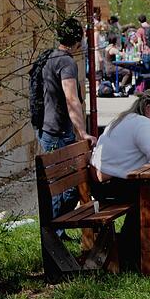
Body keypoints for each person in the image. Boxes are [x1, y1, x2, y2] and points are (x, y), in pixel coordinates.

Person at [90, 90, 150, 266]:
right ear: (148, 108)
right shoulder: (142, 122)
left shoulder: (126, 118)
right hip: (109, 187)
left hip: (102, 185)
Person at [38, 17, 97, 240]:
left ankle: (57, 232)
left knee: (66, 186)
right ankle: (54, 234)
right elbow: (72, 99)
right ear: (77, 39)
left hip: (47, 130)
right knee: (64, 187)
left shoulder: (49, 57)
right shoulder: (66, 62)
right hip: (58, 133)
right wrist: (82, 133)